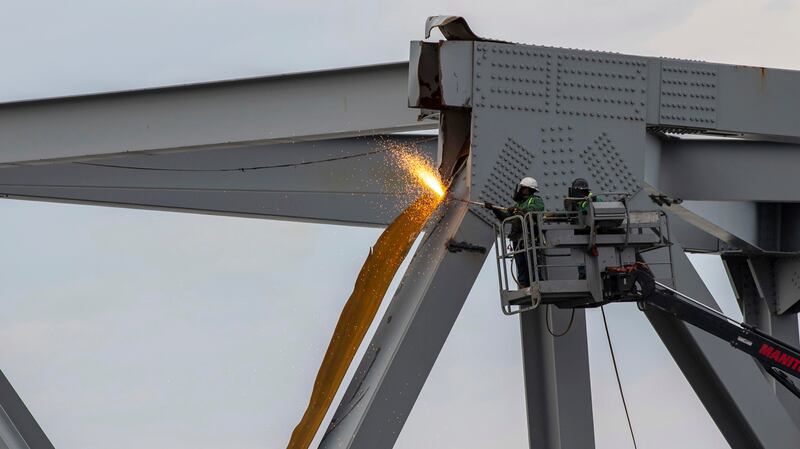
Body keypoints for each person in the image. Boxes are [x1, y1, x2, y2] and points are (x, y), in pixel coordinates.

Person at [484, 177, 545, 288]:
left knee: (531, 262)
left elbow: (535, 210)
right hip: (517, 239)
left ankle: (536, 283)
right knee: (520, 263)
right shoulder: (518, 205)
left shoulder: (535, 200)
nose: (520, 190)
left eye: (522, 188)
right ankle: (524, 285)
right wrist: (494, 209)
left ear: (527, 189)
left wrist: (519, 211)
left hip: (529, 237)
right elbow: (506, 217)